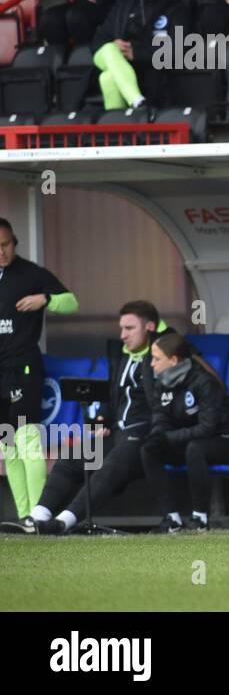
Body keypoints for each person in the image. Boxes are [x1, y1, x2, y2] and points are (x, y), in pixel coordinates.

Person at [28, 302, 166, 535]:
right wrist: (103, 418)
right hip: (119, 434)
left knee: (110, 464)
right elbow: (113, 395)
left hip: (146, 436)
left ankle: (64, 522)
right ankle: (37, 516)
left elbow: (165, 405)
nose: (123, 335)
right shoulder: (123, 357)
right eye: (121, 329)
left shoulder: (162, 358)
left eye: (130, 328)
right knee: (72, 456)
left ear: (150, 327)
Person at [0, 218, 78, 521]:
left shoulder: (32, 274)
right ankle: (24, 517)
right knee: (7, 445)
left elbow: (72, 302)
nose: (1, 251)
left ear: (14, 242)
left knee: (26, 439)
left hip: (24, 367)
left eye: (5, 245)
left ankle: (40, 514)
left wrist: (45, 300)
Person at [140, 332, 229, 533]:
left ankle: (200, 519)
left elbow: (207, 428)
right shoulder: (162, 383)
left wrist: (168, 437)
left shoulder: (203, 381)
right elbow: (160, 418)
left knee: (195, 448)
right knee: (149, 449)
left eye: (156, 359)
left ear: (174, 360)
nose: (151, 364)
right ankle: (172, 520)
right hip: (196, 441)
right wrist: (159, 435)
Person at [89, 0, 193, 111]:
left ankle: (119, 127)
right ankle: (137, 101)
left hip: (151, 72)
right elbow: (98, 40)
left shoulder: (179, 7)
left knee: (108, 77)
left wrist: (137, 54)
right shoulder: (126, 4)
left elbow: (180, 51)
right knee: (109, 48)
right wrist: (116, 47)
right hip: (114, 60)